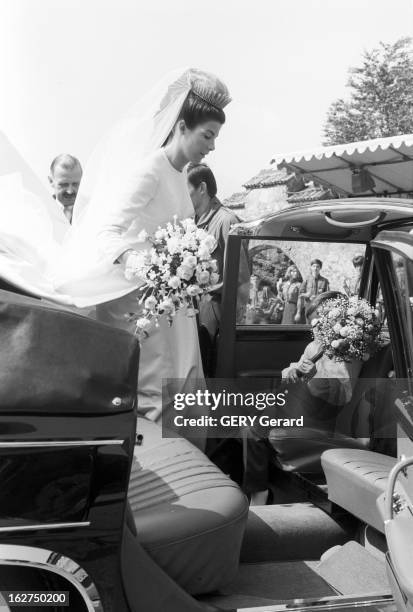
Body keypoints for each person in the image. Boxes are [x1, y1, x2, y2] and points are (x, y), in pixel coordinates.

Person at [0, 69, 232, 431]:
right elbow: (107, 235)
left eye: (216, 137)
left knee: (186, 388)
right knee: (157, 393)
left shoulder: (178, 175)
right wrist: (156, 270)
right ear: (182, 126)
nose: (213, 146)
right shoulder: (148, 172)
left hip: (173, 308)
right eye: (208, 135)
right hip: (143, 304)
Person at [243, 291, 361, 505]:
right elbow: (295, 369)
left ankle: (258, 492)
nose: (313, 327)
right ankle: (255, 488)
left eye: (318, 321)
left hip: (322, 412)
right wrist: (296, 371)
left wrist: (314, 376)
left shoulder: (346, 351)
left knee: (255, 424)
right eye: (311, 322)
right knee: (254, 422)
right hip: (302, 402)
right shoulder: (314, 347)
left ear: (334, 321)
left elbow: (342, 394)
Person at [187, 163, 240, 339]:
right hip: (190, 310)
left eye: (185, 189)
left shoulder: (227, 221)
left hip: (215, 312)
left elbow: (241, 278)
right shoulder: (189, 223)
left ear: (202, 188)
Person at [48, 154, 83, 223]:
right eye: (64, 185)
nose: (70, 191)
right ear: (51, 181)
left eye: (75, 184)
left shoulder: (93, 208)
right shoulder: (42, 209)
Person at [295, 259, 329, 323]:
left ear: (320, 268)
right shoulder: (306, 280)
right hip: (308, 306)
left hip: (320, 308)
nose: (315, 268)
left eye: (317, 266)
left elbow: (327, 296)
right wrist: (307, 295)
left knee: (319, 326)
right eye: (314, 266)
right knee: (308, 326)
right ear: (311, 267)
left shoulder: (324, 281)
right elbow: (300, 295)